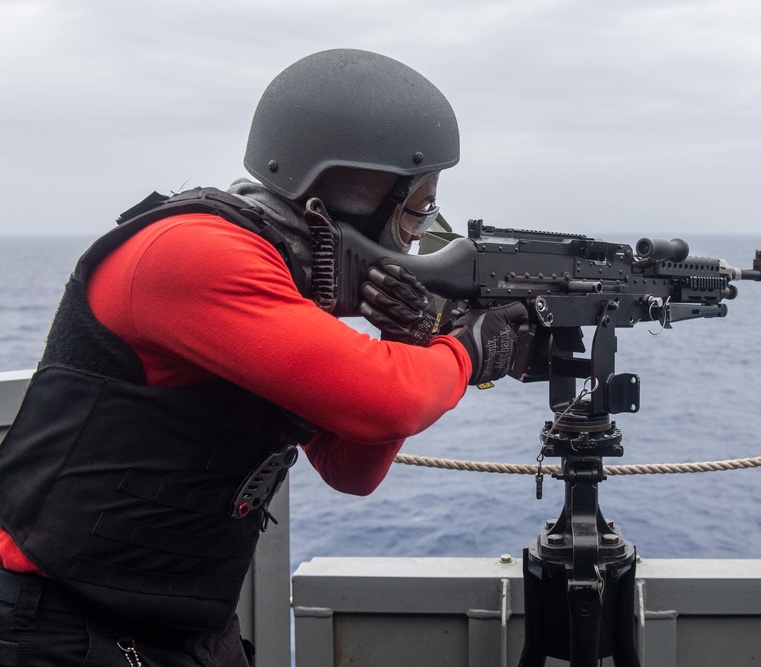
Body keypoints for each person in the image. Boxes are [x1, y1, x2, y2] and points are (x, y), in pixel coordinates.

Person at [0, 49, 527, 667]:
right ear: (354, 187)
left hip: (180, 622)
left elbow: (350, 469)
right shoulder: (195, 253)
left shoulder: (282, 270)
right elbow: (392, 400)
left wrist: (407, 337)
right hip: (59, 625)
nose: (418, 233)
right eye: (416, 207)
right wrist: (467, 347)